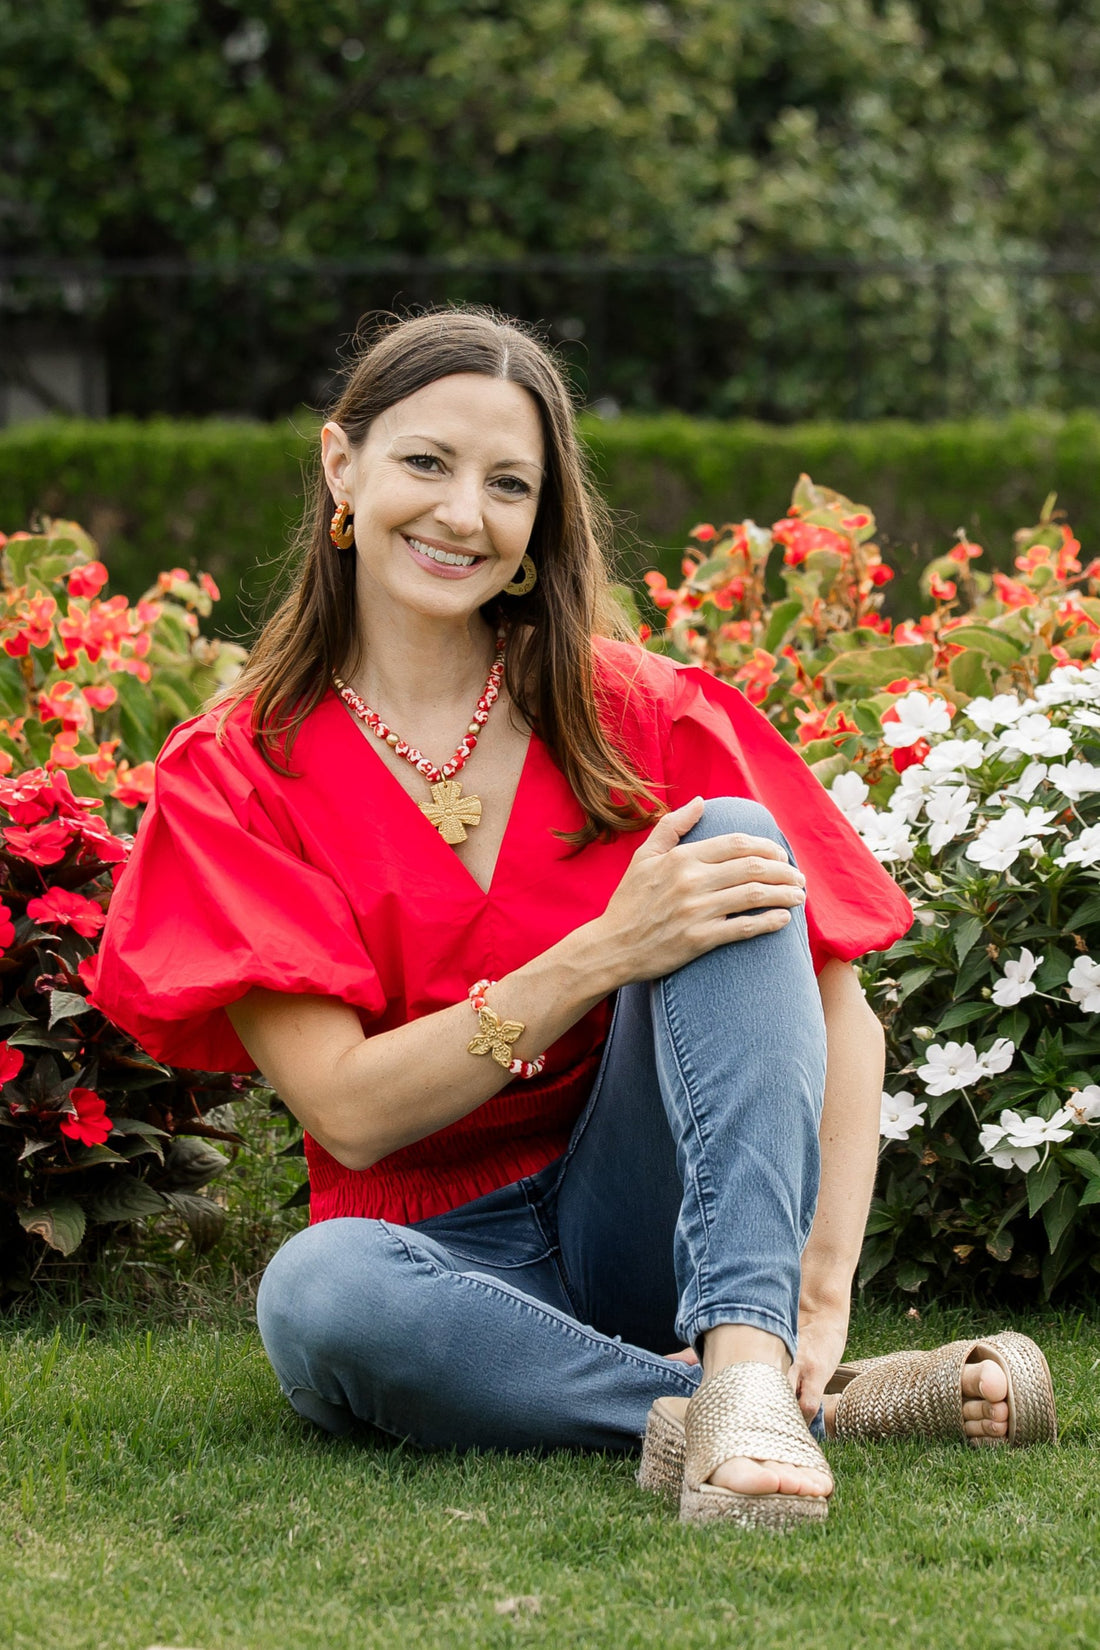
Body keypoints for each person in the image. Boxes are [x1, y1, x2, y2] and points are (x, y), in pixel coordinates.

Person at [92, 309, 1055, 1531]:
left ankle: (752, 1363)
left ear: (540, 522)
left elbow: (830, 1005)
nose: (461, 515)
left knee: (725, 844)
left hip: (644, 1216)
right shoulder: (232, 770)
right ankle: (751, 1408)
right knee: (315, 1297)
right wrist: (606, 949)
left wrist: (816, 1301)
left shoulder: (637, 712)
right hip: (428, 1261)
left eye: (508, 485)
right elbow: (345, 1108)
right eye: (425, 463)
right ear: (344, 466)